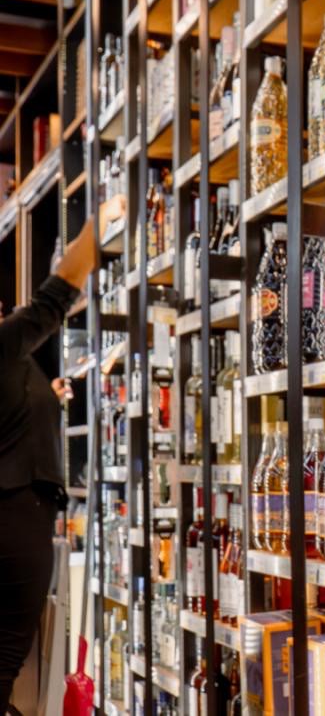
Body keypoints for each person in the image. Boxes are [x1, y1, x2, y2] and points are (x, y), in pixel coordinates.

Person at [0, 194, 125, 711]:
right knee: (6, 656)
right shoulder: (4, 343)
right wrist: (99, 224)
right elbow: (55, 298)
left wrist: (44, 399)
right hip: (15, 511)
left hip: (17, 506)